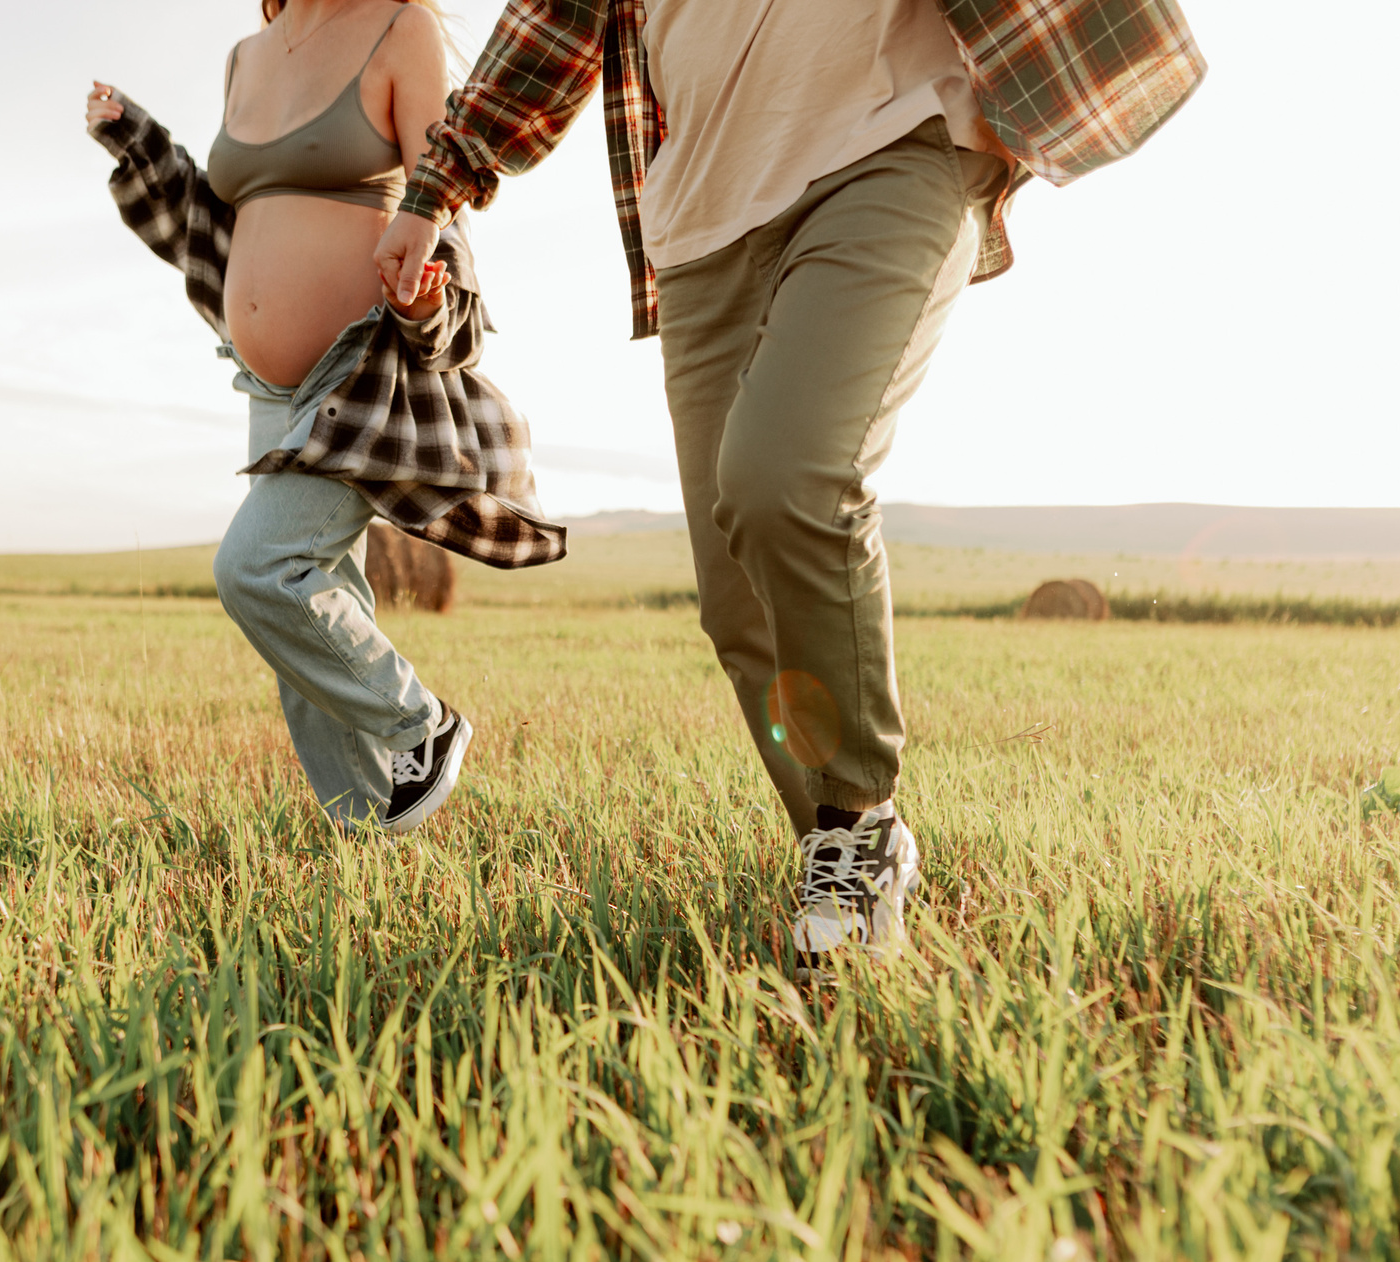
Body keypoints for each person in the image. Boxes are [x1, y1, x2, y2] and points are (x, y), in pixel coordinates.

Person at [372, 0, 1204, 973]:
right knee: (737, 605)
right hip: (700, 223)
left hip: (891, 138)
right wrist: (431, 191)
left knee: (785, 474)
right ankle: (834, 846)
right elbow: (548, 28)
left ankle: (858, 822)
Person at [86, 0, 564, 835]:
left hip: (361, 369)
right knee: (312, 606)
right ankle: (368, 827)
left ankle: (423, 723)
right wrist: (139, 139)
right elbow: (222, 215)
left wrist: (431, 304)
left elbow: (440, 195)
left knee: (257, 570)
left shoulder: (399, 27)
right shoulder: (246, 55)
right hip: (264, 385)